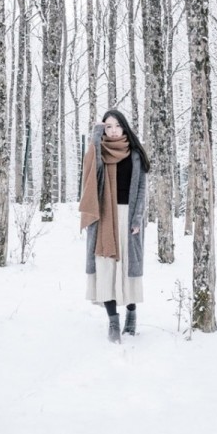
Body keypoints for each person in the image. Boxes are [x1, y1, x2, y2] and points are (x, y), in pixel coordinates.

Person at [78, 108, 150, 343]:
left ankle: (131, 314)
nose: (113, 130)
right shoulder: (99, 152)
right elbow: (91, 172)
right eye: (108, 126)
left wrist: (138, 218)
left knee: (128, 268)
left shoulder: (135, 154)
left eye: (117, 125)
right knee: (106, 268)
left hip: (129, 219)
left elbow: (141, 189)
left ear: (124, 126)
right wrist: (96, 135)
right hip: (104, 218)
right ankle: (113, 322)